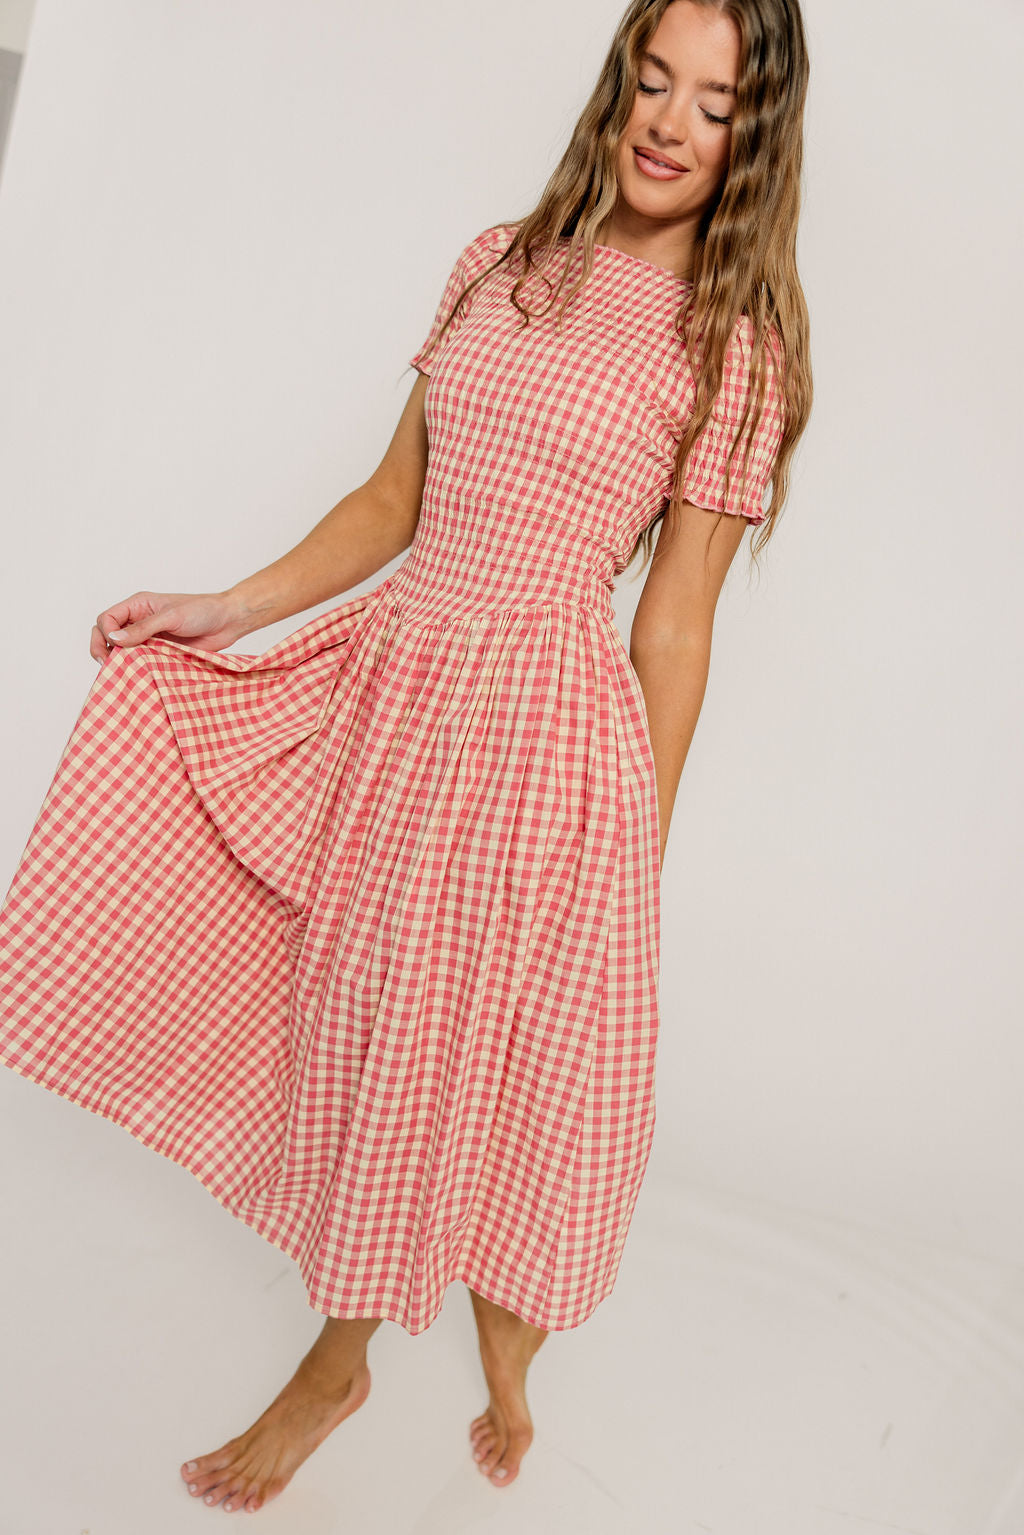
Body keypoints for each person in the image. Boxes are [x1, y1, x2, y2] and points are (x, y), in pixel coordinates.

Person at [0, 0, 811, 1514]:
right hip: (397, 687)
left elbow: (678, 622)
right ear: (618, 85)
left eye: (712, 104)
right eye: (653, 80)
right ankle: (408, 1344)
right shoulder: (501, 261)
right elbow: (393, 505)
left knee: (473, 1057)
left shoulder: (733, 352)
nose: (668, 123)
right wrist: (222, 608)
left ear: (753, 136)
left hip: (539, 738)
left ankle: (395, 1359)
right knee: (371, 1022)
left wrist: (634, 850)